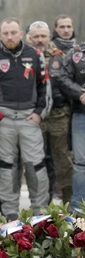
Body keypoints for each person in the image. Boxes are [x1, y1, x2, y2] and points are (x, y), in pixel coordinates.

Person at [0, 17, 51, 220]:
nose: (10, 36)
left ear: (21, 34)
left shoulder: (35, 55)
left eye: (13, 32)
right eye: (6, 33)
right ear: (0, 35)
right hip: (4, 121)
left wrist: (39, 114)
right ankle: (10, 214)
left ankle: (40, 213)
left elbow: (45, 87)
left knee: (36, 166)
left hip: (29, 119)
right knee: (7, 167)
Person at [27, 21, 73, 205]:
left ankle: (70, 205)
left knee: (63, 161)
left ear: (49, 36)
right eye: (36, 36)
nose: (39, 40)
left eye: (43, 36)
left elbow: (69, 81)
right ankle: (40, 205)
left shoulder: (60, 56)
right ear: (29, 37)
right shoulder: (24, 56)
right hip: (33, 116)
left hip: (58, 116)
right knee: (36, 163)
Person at [60, 41, 85, 213]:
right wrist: (81, 93)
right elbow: (63, 78)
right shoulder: (76, 54)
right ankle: (77, 209)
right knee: (80, 163)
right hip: (81, 114)